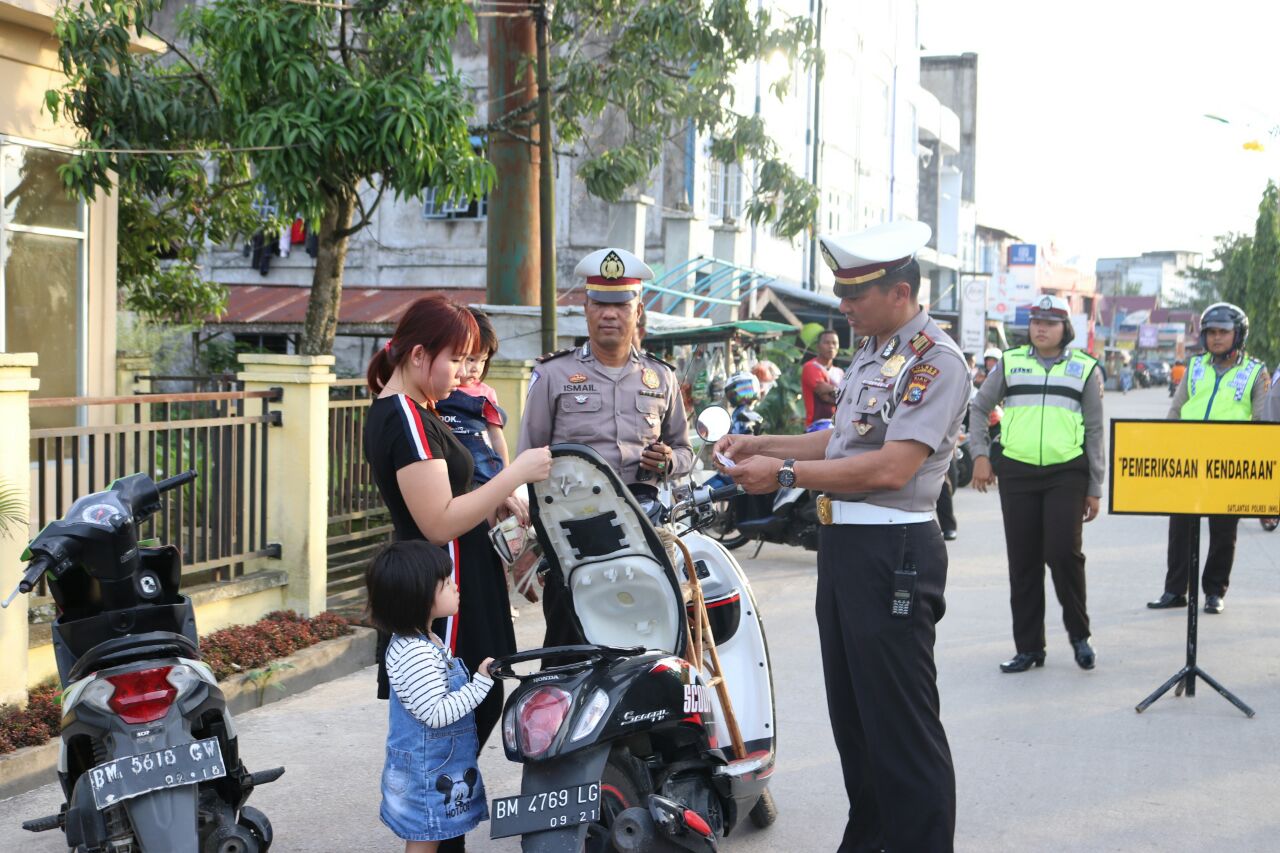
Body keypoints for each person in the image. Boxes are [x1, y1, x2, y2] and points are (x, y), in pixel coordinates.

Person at [714, 220, 967, 852]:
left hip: (894, 555)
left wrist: (784, 473)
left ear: (901, 293)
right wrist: (760, 442)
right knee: (855, 721)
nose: (844, 308)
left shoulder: (937, 362)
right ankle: (871, 836)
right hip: (848, 551)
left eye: (855, 296)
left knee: (902, 729)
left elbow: (890, 467)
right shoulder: (877, 353)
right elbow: (842, 438)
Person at [363, 296, 551, 767]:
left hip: (462, 581)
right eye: (457, 360)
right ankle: (436, 835)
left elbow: (455, 491)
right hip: (440, 594)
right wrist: (516, 475)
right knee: (449, 727)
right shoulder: (405, 415)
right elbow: (438, 520)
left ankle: (443, 831)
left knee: (471, 712)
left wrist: (494, 497)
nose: (465, 372)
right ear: (420, 355)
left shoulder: (420, 407)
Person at [517, 247, 693, 648]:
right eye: (599, 303)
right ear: (586, 307)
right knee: (567, 643)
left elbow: (685, 452)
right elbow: (527, 459)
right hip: (573, 533)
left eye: (620, 303)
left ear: (638, 309)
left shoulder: (660, 378)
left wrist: (669, 461)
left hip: (643, 531)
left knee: (653, 639)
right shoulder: (553, 374)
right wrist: (529, 540)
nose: (609, 313)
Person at [969, 294, 1105, 673]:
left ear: (1066, 329)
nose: (1041, 328)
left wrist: (1095, 486)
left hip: (1067, 473)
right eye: (1035, 322)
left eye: (1050, 322)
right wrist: (980, 455)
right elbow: (979, 407)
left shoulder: (1085, 368)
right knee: (1024, 562)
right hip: (1018, 472)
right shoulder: (1011, 363)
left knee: (1064, 554)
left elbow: (1095, 431)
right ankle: (1030, 648)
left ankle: (1080, 635)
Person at [367, 540, 494, 852]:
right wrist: (481, 683)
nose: (455, 587)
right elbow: (435, 714)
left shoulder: (423, 640)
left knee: (430, 835)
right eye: (446, 583)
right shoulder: (416, 653)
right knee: (425, 839)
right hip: (427, 770)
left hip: (435, 766)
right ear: (419, 597)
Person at [1148, 302, 1269, 615]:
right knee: (1180, 528)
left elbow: (1261, 420)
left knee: (1224, 530)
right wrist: (1164, 445)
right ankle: (1175, 589)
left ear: (1237, 334)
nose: (1216, 338)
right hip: (1188, 458)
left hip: (1229, 463)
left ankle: (1214, 591)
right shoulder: (1196, 366)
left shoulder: (1255, 371)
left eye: (1223, 332)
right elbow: (1177, 409)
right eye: (1211, 332)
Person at [435, 308, 508, 486]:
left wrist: (506, 475)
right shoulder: (437, 391)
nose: (477, 368)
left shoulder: (485, 394)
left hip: (483, 473)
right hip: (447, 472)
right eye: (471, 359)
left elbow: (496, 436)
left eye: (483, 360)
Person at [802, 329, 842, 427]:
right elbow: (823, 395)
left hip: (837, 424)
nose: (831, 346)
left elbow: (832, 395)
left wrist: (833, 391)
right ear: (818, 346)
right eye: (827, 343)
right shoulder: (811, 367)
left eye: (834, 343)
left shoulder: (840, 372)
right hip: (817, 425)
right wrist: (842, 394)